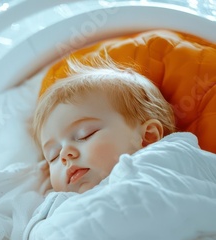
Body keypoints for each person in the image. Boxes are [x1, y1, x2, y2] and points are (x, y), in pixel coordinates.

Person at [31, 57, 176, 193]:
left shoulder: (166, 176)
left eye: (85, 135)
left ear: (147, 137)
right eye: (53, 156)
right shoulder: (53, 207)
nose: (64, 154)